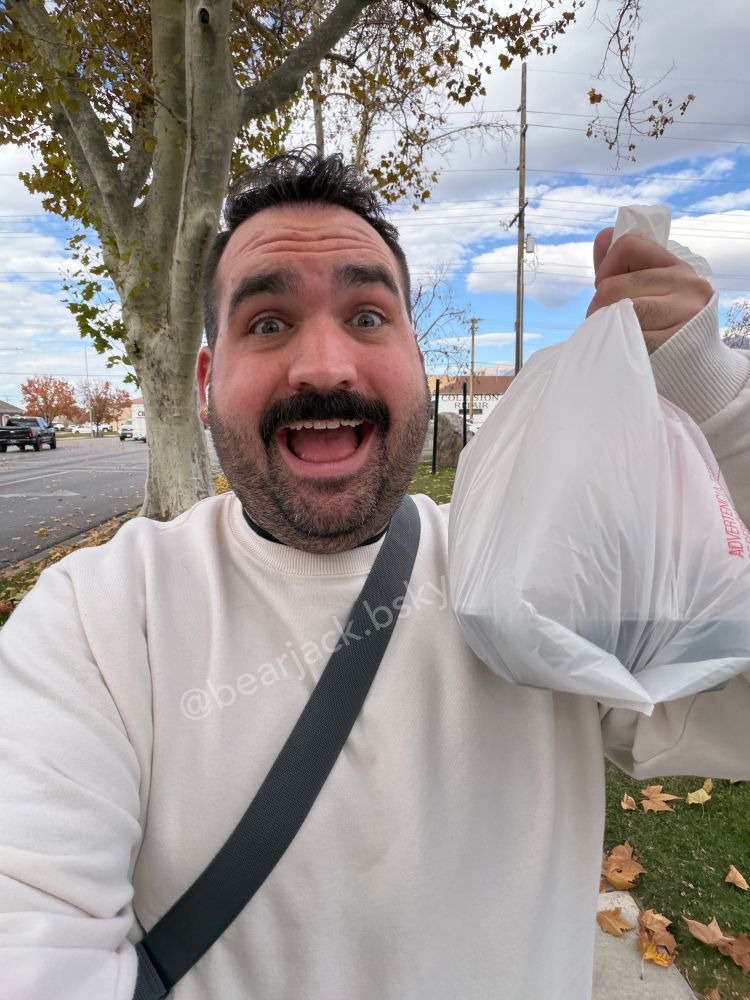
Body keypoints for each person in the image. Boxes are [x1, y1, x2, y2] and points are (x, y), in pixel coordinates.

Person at [0, 150, 748, 1000]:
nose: (325, 366)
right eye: (269, 322)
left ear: (418, 362)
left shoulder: (534, 583)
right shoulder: (94, 623)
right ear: (208, 383)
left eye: (366, 316)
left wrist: (716, 407)